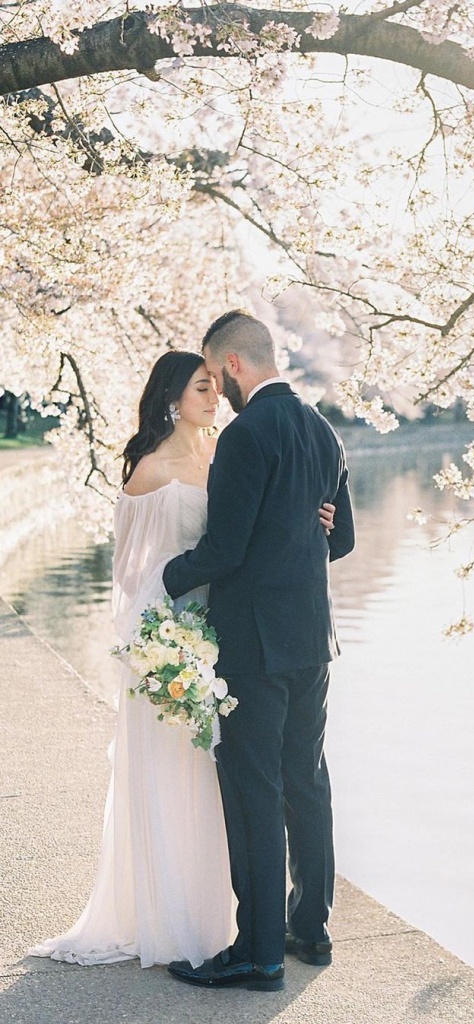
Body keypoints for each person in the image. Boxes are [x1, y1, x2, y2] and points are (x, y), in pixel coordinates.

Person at [30, 350, 337, 969]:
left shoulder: (231, 448)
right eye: (202, 387)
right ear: (172, 397)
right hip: (183, 630)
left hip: (234, 633)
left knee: (237, 785)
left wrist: (316, 521)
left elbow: (248, 534)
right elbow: (134, 570)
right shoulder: (150, 470)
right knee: (215, 777)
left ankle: (250, 935)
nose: (215, 396)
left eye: (216, 385)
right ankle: (192, 923)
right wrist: (161, 630)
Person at [161, 309, 355, 992]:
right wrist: (314, 528)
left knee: (253, 792)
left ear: (234, 366)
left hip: (254, 646)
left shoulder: (246, 436)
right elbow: (341, 542)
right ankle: (311, 929)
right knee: (306, 783)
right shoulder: (323, 430)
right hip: (313, 642)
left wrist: (167, 578)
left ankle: (258, 954)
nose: (218, 388)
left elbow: (227, 548)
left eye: (216, 375)